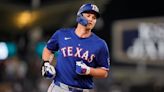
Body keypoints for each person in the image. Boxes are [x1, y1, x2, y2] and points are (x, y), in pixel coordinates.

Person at [41, 3, 110, 92]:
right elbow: (48, 49)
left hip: (83, 90)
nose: (91, 19)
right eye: (88, 15)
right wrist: (46, 63)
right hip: (59, 88)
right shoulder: (62, 34)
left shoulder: (100, 44)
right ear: (80, 16)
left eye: (94, 18)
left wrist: (88, 70)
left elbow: (104, 72)